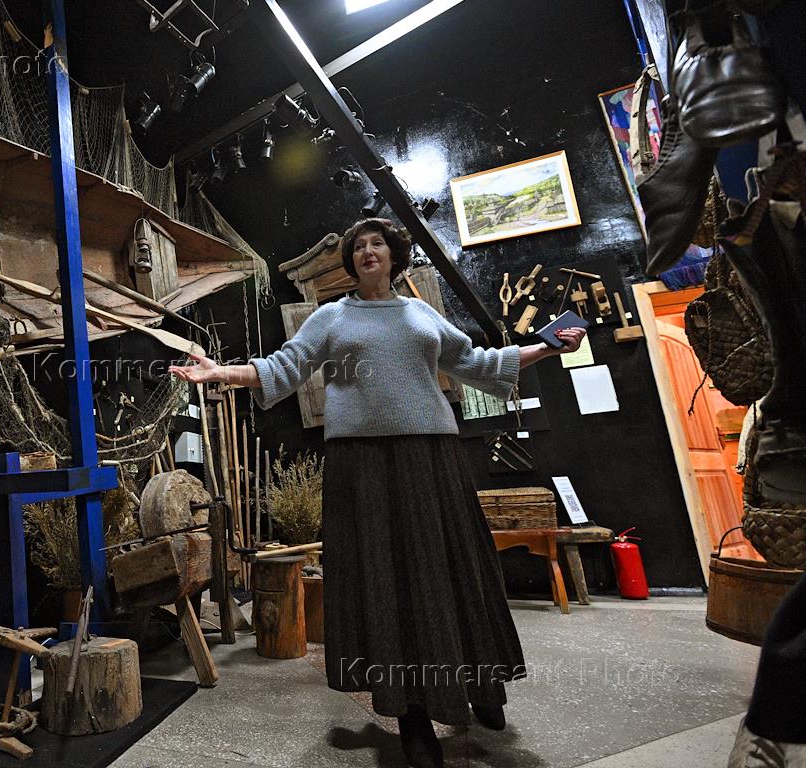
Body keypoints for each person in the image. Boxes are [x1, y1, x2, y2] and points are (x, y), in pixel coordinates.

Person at [170, 218, 585, 768]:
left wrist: (546, 348)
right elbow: (284, 368)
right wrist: (220, 372)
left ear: (394, 255)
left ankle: (482, 683)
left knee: (454, 570)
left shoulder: (421, 313)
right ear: (351, 261)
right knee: (387, 582)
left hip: (431, 457)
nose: (368, 251)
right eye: (359, 246)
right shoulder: (330, 317)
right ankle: (411, 713)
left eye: (378, 243)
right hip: (361, 464)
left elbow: (478, 364)